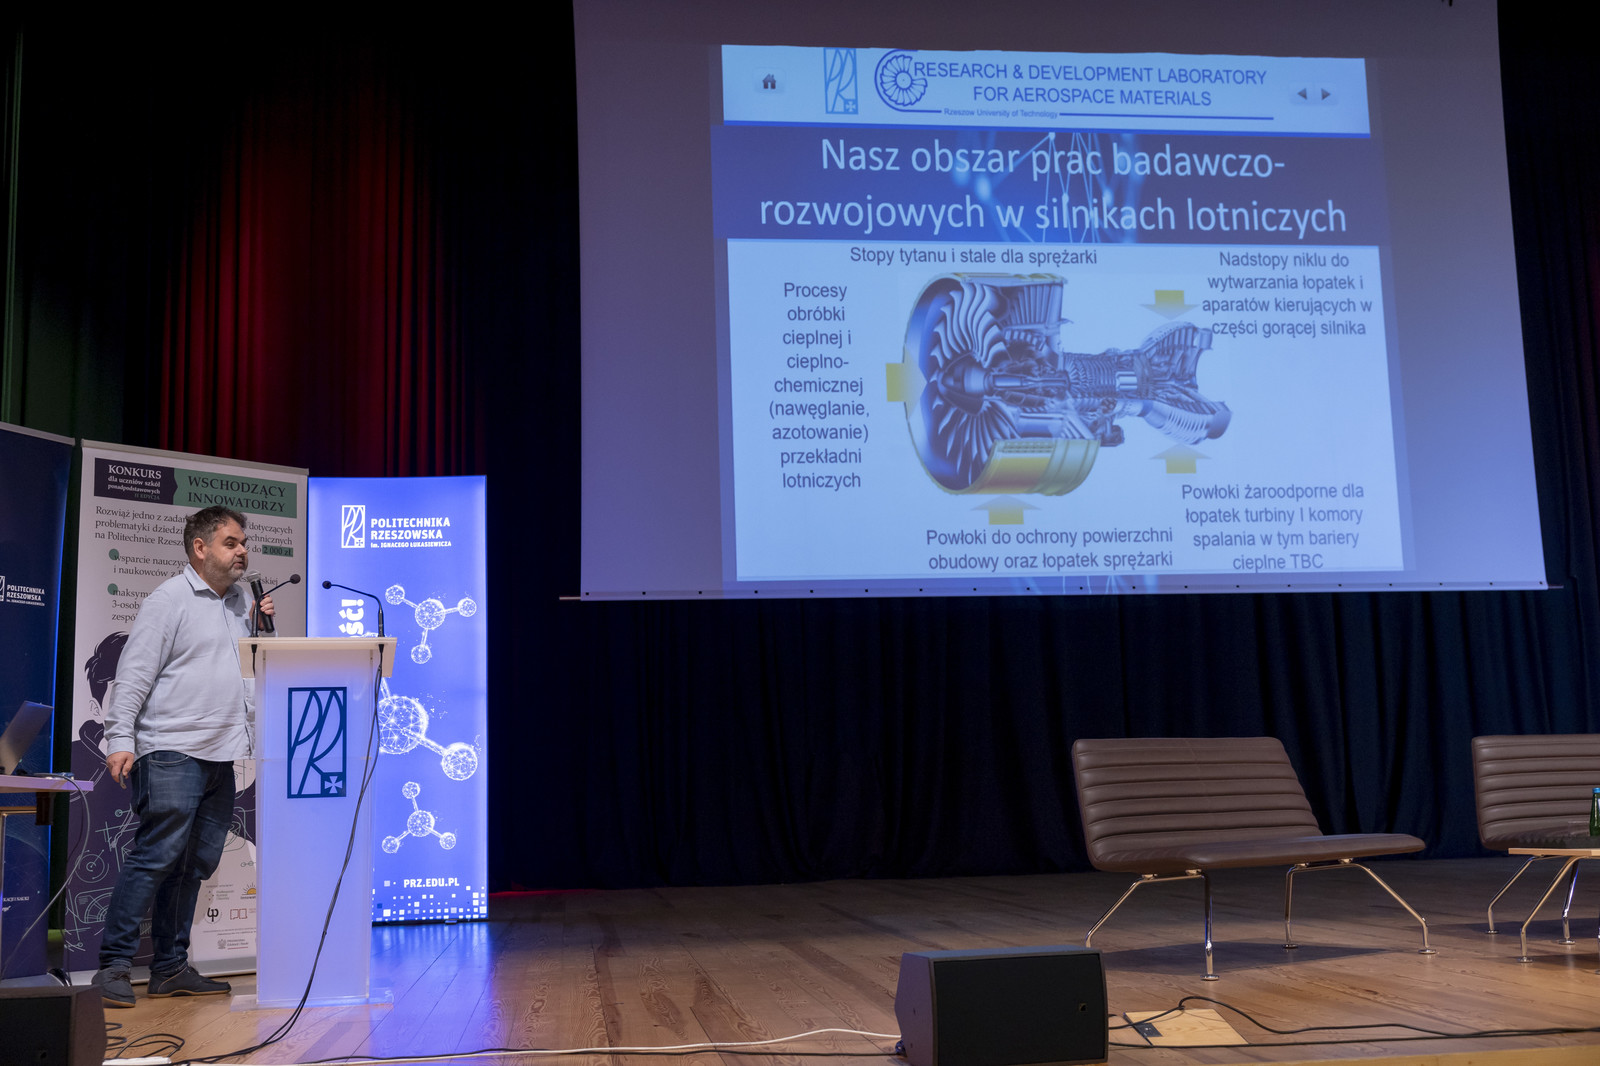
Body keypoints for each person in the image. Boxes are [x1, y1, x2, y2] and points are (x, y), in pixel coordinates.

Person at [91, 505, 273, 1008]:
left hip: (222, 754)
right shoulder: (168, 600)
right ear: (200, 547)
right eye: (231, 543)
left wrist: (264, 631)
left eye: (243, 543)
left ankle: (170, 967)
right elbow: (133, 674)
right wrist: (120, 738)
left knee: (194, 864)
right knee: (155, 857)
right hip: (171, 749)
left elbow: (253, 671)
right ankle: (113, 967)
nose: (242, 551)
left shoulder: (240, 603)